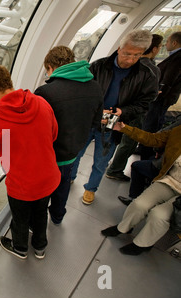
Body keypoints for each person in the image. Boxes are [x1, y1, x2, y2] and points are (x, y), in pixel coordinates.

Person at [0, 65, 60, 259]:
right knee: (41, 213)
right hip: (48, 177)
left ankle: (20, 249)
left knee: (20, 219)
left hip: (23, 185)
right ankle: (40, 247)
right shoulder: (41, 102)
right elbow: (54, 133)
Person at [70, 29, 158, 205]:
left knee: (101, 160)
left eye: (136, 55)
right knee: (76, 152)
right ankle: (70, 177)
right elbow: (84, 90)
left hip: (113, 122)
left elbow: (145, 103)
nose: (130, 59)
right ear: (119, 48)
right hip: (91, 118)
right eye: (127, 53)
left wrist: (123, 112)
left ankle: (90, 189)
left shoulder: (147, 74)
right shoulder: (98, 65)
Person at [34, 46, 103, 224]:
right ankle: (57, 216)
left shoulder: (46, 92)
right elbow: (96, 121)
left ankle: (37, 224)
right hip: (73, 150)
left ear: (50, 67)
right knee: (63, 184)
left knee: (42, 190)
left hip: (50, 153)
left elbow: (36, 130)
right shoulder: (95, 87)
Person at [101, 121, 181, 255]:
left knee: (159, 215)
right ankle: (124, 228)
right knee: (139, 204)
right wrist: (125, 129)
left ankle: (143, 244)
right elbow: (153, 139)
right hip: (170, 180)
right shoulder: (178, 131)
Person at [142, 31, 181, 135]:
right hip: (163, 96)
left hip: (162, 97)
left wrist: (158, 94)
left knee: (153, 122)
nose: (165, 44)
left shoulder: (178, 57)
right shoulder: (175, 56)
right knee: (153, 121)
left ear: (174, 43)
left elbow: (169, 78)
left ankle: (147, 147)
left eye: (167, 41)